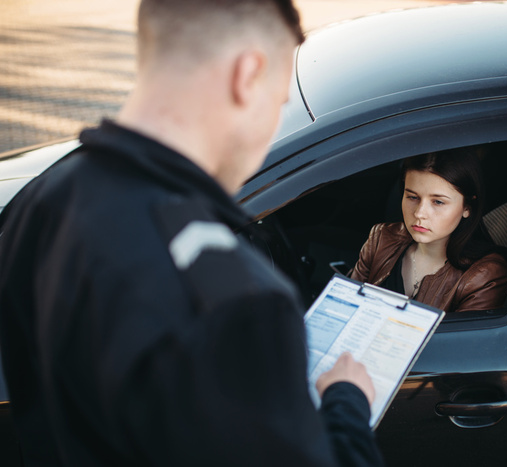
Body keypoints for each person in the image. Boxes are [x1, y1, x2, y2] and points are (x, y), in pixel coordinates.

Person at [0, 1, 383, 466]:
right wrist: (346, 402)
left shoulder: (38, 202)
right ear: (247, 74)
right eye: (279, 104)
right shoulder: (241, 302)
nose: (269, 131)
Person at [349, 150, 507, 313]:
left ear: (467, 207)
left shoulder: (484, 276)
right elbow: (345, 306)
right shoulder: (382, 238)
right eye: (413, 197)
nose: (419, 213)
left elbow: (460, 339)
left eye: (438, 202)